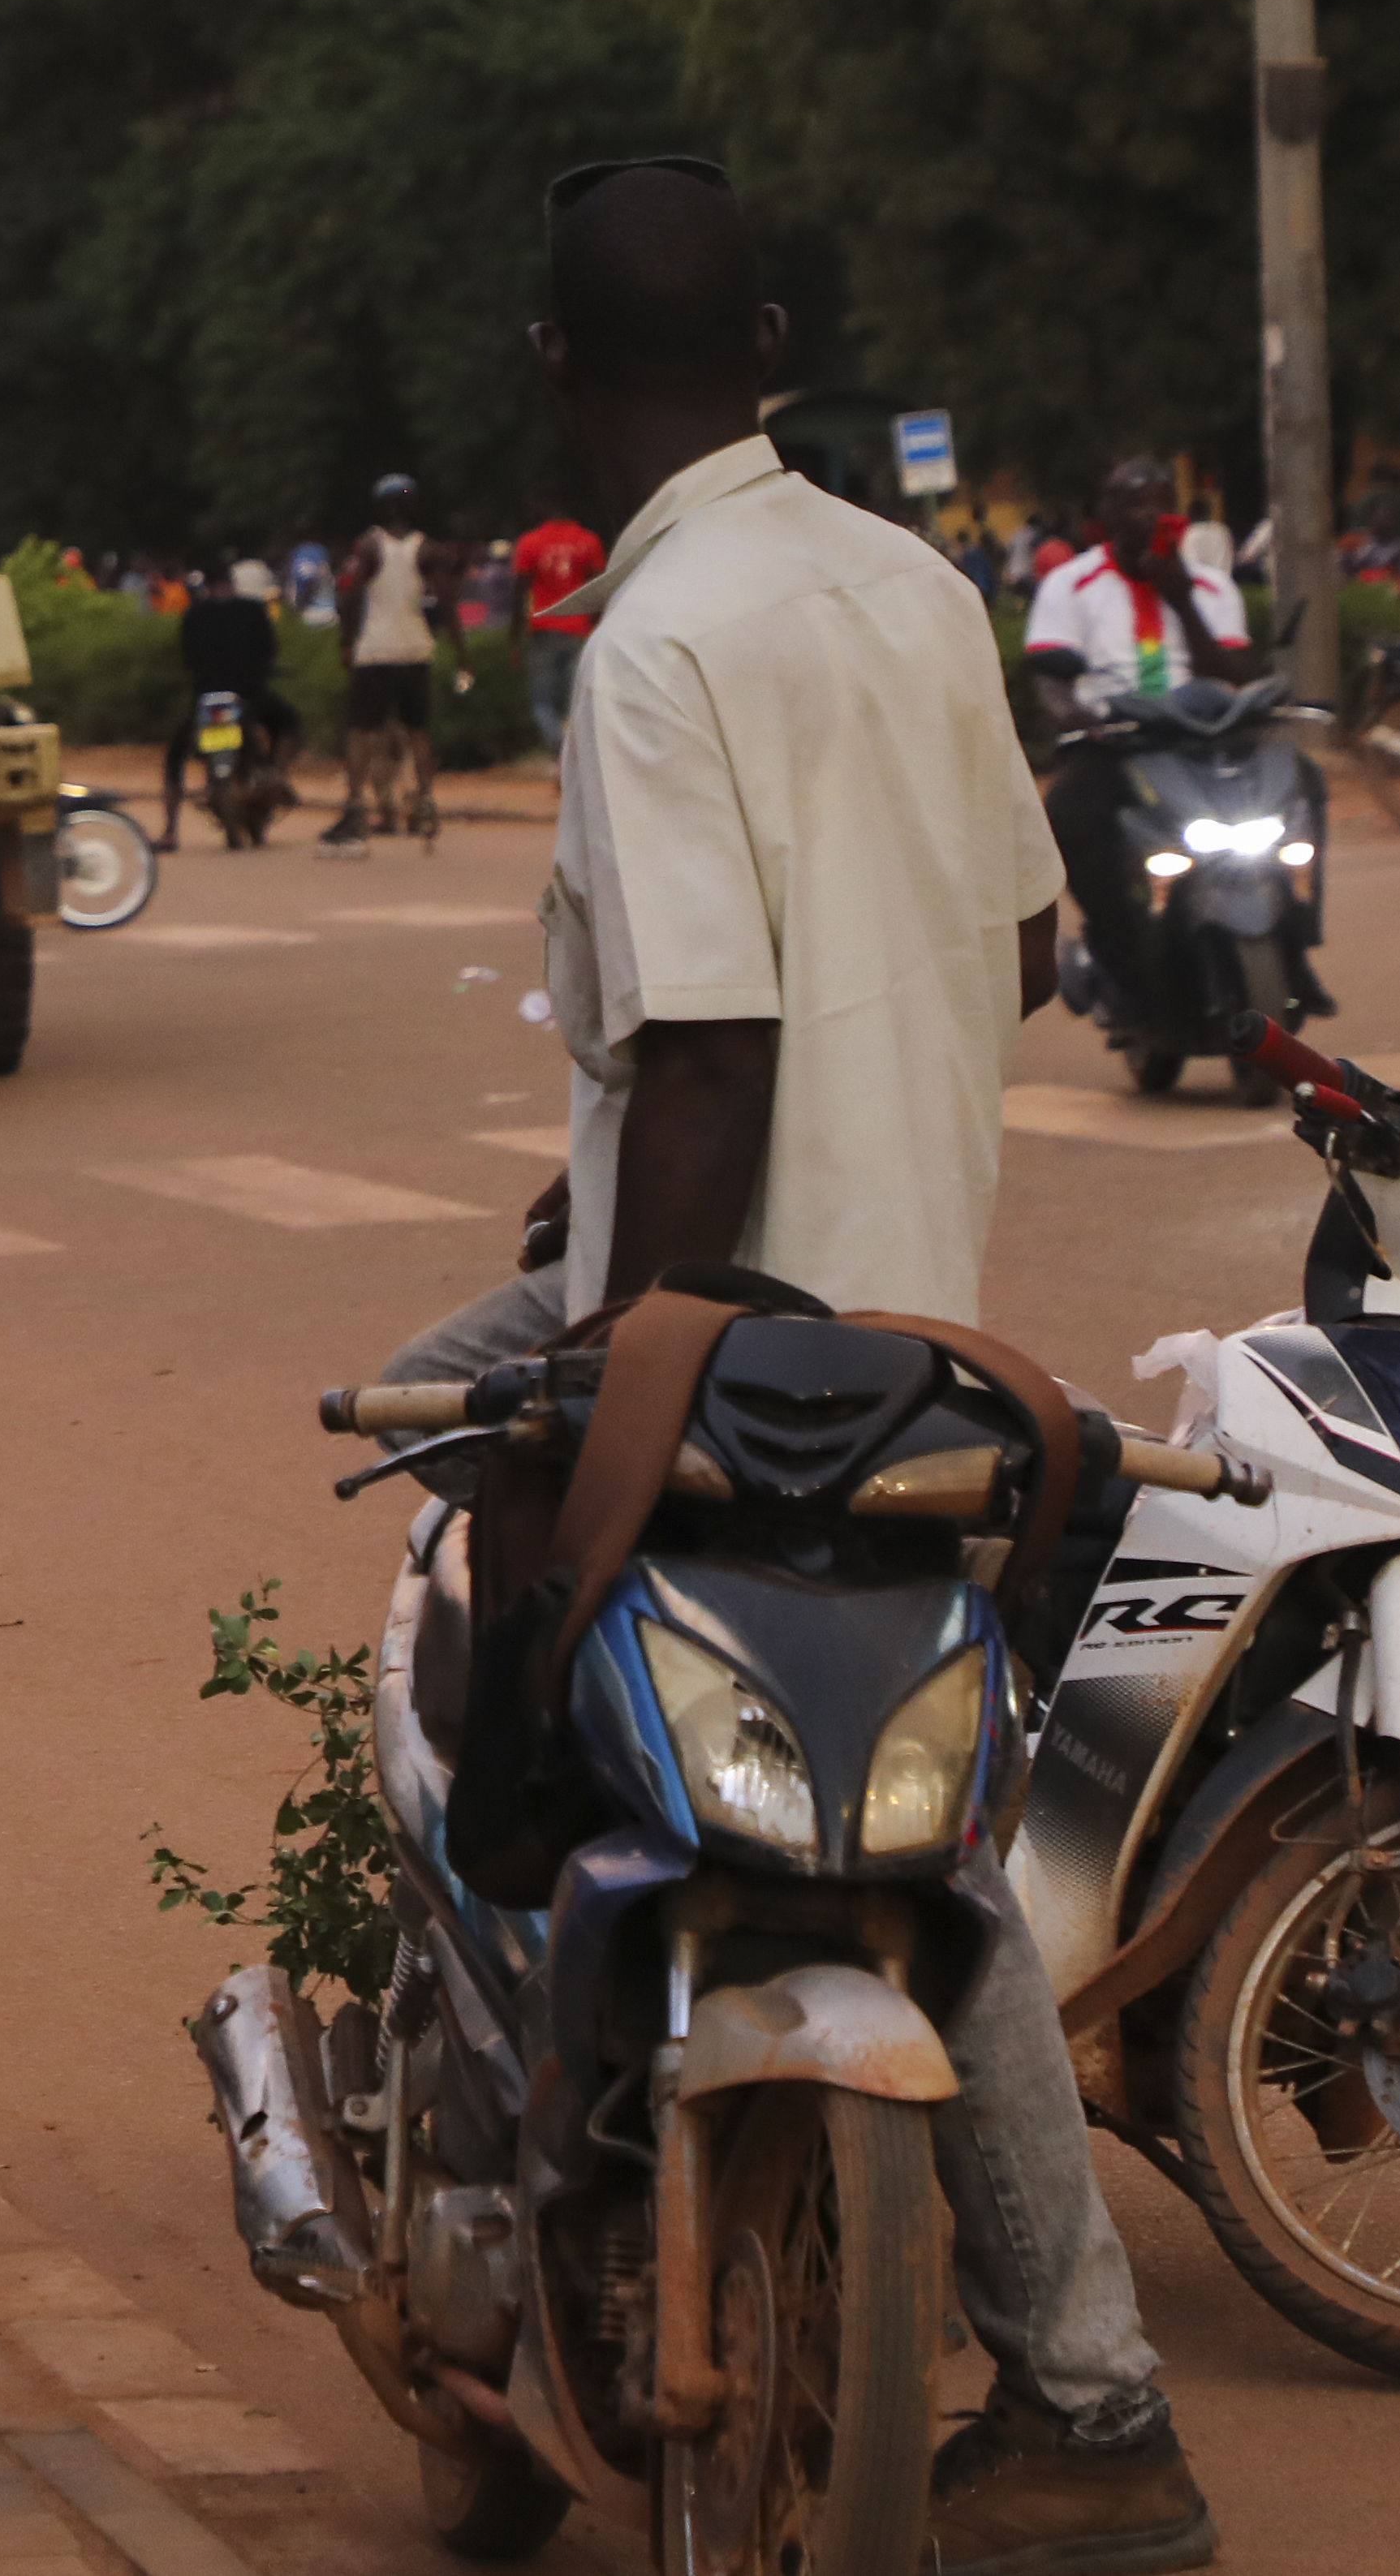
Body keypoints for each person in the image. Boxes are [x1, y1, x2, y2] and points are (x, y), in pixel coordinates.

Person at [376, 162, 1209, 2576]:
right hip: (918, 1355)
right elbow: (1024, 950)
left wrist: (609, 1359)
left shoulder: (647, 650)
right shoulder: (903, 585)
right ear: (762, 337)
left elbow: (713, 1045)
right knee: (915, 1844)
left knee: (456, 1559)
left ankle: (551, 2118)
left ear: (545, 365)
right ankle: (1078, 2390)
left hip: (728, 1369)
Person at [1023, 458, 1305, 1014]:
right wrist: (1083, 724)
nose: (1149, 515)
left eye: (1160, 503)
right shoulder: (1070, 584)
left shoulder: (1209, 586)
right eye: (1134, 503)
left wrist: (1180, 599)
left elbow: (1235, 675)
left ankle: (1298, 920)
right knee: (1072, 812)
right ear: (1106, 515)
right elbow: (1051, 684)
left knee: (1305, 783)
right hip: (1117, 742)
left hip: (1204, 737)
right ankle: (1118, 949)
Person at [325, 479, 447, 849]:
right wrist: (463, 657)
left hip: (376, 650)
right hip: (415, 649)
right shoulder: (427, 548)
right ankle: (425, 802)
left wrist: (346, 640)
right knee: (417, 732)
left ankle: (355, 807)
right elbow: (448, 602)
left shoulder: (368, 546)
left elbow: (349, 597)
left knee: (361, 733)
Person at [158, 561, 296, 850]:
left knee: (175, 757)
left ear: (206, 586)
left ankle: (170, 829)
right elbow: (269, 652)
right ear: (232, 584)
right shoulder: (253, 611)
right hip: (249, 698)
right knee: (288, 722)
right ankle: (279, 774)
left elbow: (188, 659)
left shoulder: (193, 615)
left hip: (206, 701)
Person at [510, 505, 606, 758]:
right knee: (575, 703)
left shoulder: (529, 542)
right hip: (578, 630)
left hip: (543, 629)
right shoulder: (588, 540)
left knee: (541, 704)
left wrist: (513, 641)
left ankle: (561, 750)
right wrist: (596, 625)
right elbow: (599, 588)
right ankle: (575, 758)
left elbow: (518, 592)